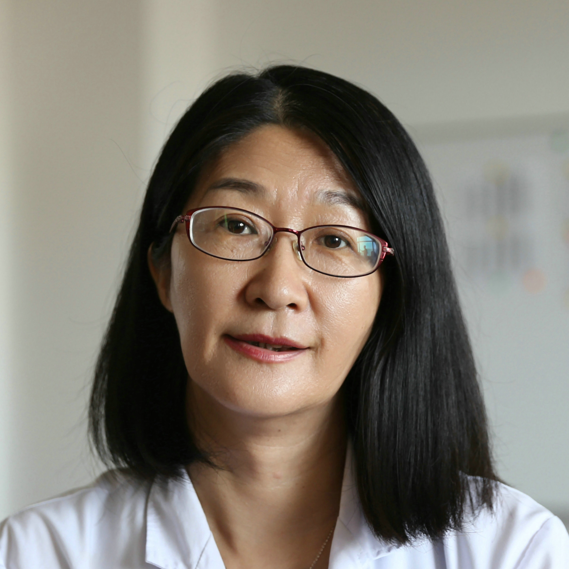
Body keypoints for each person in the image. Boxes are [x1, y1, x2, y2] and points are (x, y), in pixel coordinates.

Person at [1, 65, 568, 569]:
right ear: (163, 271)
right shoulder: (38, 554)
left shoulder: (514, 551)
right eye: (236, 225)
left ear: (390, 295)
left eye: (334, 239)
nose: (276, 289)